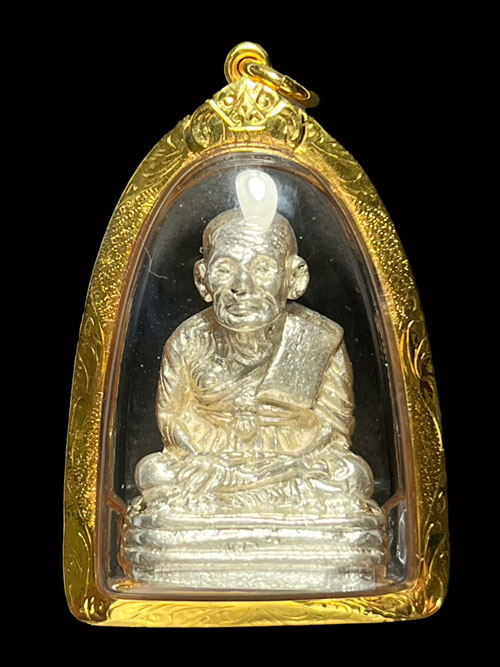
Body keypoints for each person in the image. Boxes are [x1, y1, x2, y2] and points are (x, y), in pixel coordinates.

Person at [121, 170, 386, 589]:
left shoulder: (318, 340)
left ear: (294, 278)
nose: (241, 287)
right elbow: (173, 422)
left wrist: (279, 456)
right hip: (210, 470)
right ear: (203, 280)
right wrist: (217, 459)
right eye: (226, 269)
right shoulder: (188, 341)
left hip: (292, 470)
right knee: (154, 474)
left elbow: (334, 429)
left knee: (351, 477)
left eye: (262, 269)